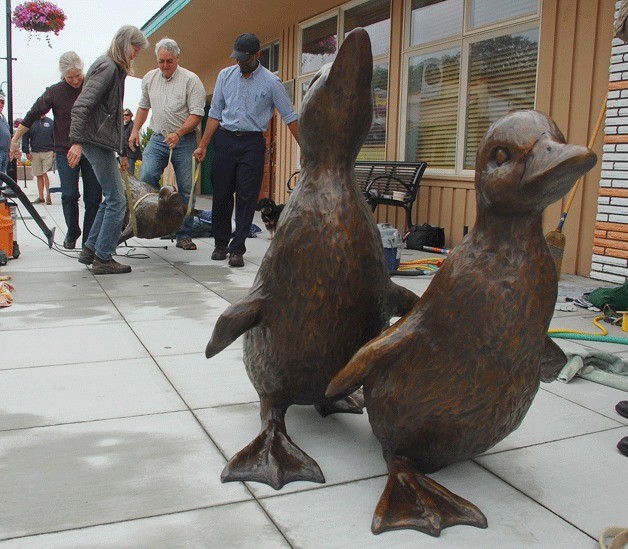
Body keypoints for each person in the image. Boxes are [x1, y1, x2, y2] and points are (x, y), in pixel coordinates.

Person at [193, 33, 299, 268]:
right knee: (221, 194)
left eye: (244, 58)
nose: (239, 62)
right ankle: (221, 244)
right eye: (237, 58)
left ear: (257, 55)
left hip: (252, 143)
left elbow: (290, 116)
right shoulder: (225, 76)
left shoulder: (271, 82)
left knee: (246, 197)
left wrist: (306, 149)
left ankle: (237, 249)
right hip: (225, 140)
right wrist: (203, 145)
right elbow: (215, 113)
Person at [68, 25, 149, 275]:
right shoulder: (108, 67)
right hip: (94, 141)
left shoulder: (114, 69)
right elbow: (82, 105)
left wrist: (122, 152)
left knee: (111, 197)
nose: (136, 54)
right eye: (135, 49)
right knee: (117, 199)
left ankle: (91, 249)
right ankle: (103, 257)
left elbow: (112, 116)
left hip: (99, 142)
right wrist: (77, 141)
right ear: (126, 45)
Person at [10, 52, 102, 249]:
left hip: (92, 149)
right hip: (64, 150)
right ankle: (73, 230)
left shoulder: (91, 87)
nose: (76, 80)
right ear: (63, 75)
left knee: (94, 197)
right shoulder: (55, 92)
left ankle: (89, 239)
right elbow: (32, 114)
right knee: (69, 195)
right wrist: (16, 138)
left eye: (78, 75)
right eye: (71, 77)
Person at [129, 38, 206, 251]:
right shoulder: (149, 79)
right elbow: (143, 107)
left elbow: (197, 114)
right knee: (146, 176)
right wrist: (135, 130)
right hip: (158, 137)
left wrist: (179, 133)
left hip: (185, 138)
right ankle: (156, 223)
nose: (165, 65)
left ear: (177, 58)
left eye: (169, 61)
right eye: (161, 61)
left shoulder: (191, 80)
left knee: (187, 188)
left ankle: (184, 234)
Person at [21, 114, 54, 204]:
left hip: (48, 152)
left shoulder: (51, 122)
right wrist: (26, 151)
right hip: (35, 153)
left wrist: (55, 150)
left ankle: (48, 196)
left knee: (45, 173)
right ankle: (41, 197)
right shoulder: (31, 122)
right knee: (38, 175)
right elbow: (25, 137)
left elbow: (55, 136)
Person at [122, 108, 141, 176]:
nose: (125, 116)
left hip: (131, 154)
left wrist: (123, 145)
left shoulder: (132, 126)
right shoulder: (124, 126)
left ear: (130, 115)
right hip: (125, 154)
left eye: (126, 115)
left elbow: (133, 142)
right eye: (123, 115)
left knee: (130, 175)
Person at [0, 92, 11, 174]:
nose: (1, 104)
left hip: (5, 152)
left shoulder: (4, 118)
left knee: (2, 177)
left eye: (2, 102)